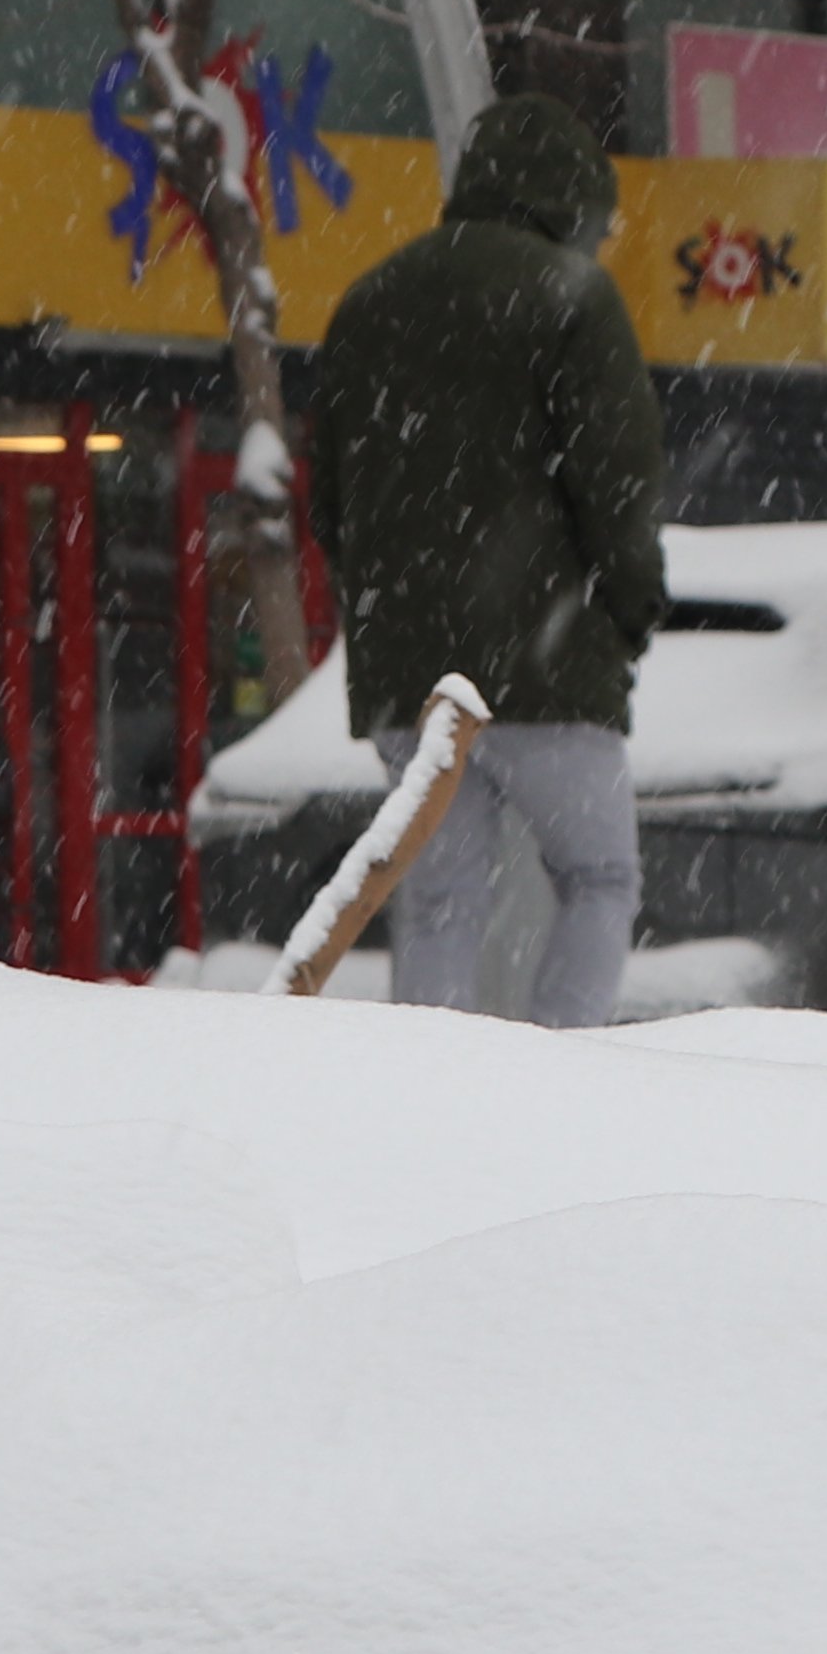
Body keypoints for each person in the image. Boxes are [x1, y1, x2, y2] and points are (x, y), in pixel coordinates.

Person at [310, 92, 663, 1024]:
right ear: (570, 203)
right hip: (546, 665)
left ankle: (435, 1105)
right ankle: (559, 1075)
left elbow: (328, 503)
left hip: (410, 678)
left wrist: (393, 615)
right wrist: (631, 609)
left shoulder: (366, 303)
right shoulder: (571, 299)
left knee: (436, 902)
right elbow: (618, 481)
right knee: (600, 875)